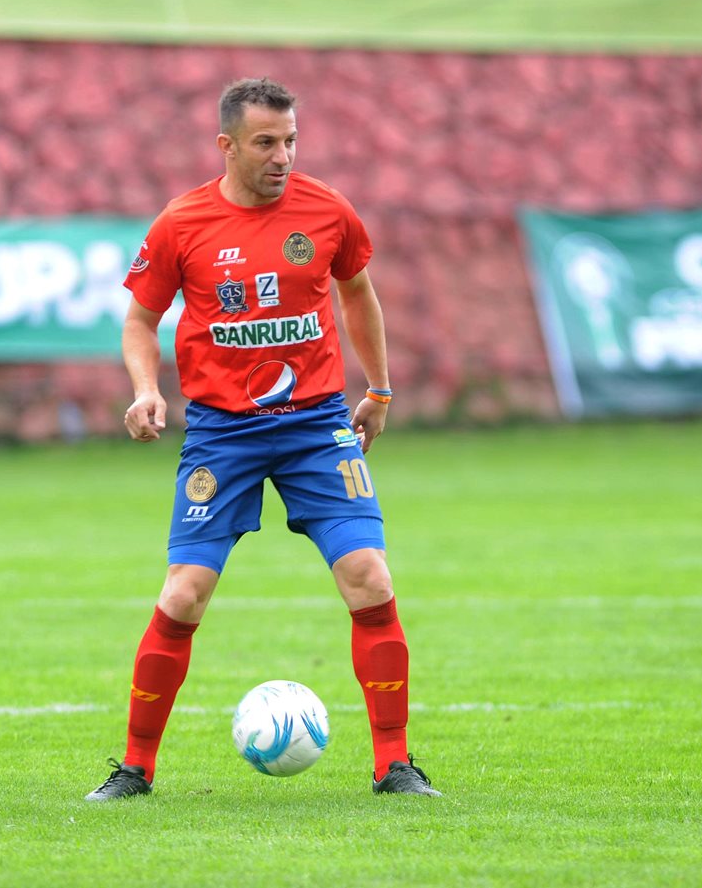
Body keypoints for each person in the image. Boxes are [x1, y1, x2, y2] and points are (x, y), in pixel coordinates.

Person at [85, 78, 441, 800]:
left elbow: (357, 294)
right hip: (222, 434)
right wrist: (147, 390)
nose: (283, 156)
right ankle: (134, 768)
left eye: (290, 141)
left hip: (316, 427)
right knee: (184, 594)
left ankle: (395, 764)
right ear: (227, 146)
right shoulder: (182, 223)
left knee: (370, 576)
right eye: (266, 143)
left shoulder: (325, 209)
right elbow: (137, 322)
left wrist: (377, 388)